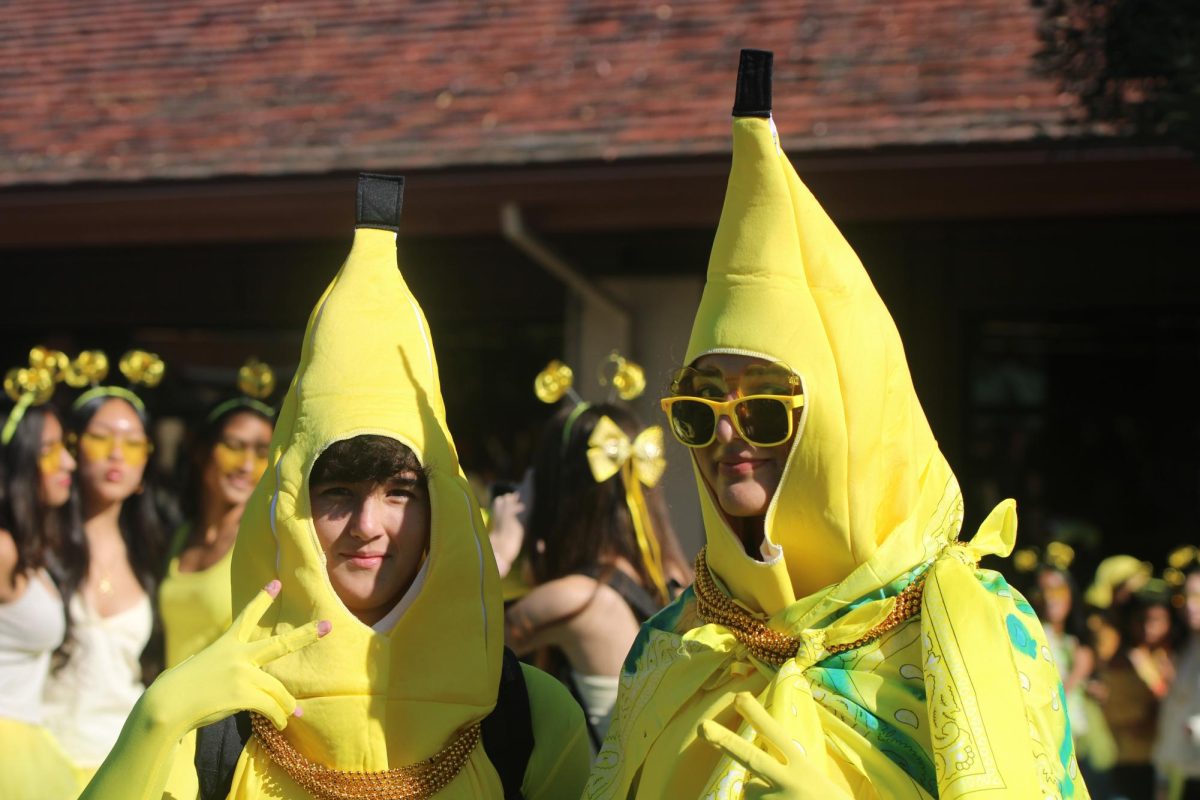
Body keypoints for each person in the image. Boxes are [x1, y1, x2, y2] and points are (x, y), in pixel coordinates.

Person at [585, 50, 1087, 799]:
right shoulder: (672, 643)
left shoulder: (975, 626)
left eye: (761, 406)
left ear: (841, 421)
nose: (727, 436)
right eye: (700, 408)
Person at [80, 173, 590, 799]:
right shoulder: (216, 717)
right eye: (337, 494)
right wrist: (156, 721)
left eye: (399, 492)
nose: (367, 526)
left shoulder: (528, 717)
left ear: (444, 511)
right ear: (291, 507)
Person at [505, 399, 689, 748]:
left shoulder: (577, 599)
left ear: (554, 494)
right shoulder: (679, 581)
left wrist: (499, 550)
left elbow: (462, 662)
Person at [42, 349, 167, 780]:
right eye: (101, 438)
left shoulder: (155, 556)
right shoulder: (36, 547)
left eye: (133, 443)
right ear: (71, 447)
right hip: (40, 762)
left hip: (122, 763)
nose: (117, 453)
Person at [0, 352, 85, 799]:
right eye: (50, 451)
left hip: (32, 741)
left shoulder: (31, 547)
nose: (69, 464)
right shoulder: (2, 548)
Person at [159, 361, 275, 667]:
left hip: (223, 713)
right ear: (201, 450)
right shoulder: (180, 535)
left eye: (262, 453)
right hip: (171, 710)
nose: (247, 466)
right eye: (234, 446)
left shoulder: (266, 541)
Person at [1099, 585, 1175, 800]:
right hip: (1128, 760)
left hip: (1166, 760)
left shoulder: (1174, 657)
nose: (1148, 628)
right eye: (1142, 620)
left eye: (1157, 620)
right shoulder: (1125, 662)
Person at [1154, 560, 1200, 800]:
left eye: (1198, 597)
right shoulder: (1186, 648)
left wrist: (1193, 729)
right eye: (1186, 597)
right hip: (1178, 774)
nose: (1191, 606)